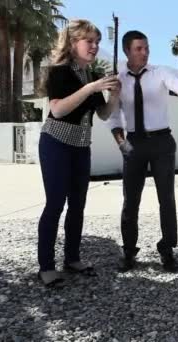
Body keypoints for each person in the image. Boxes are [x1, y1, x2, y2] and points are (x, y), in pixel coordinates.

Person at [106, 30, 178, 273]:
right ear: (127, 50)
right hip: (134, 144)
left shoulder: (159, 73)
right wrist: (121, 143)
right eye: (139, 48)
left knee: (166, 199)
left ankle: (167, 250)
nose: (145, 52)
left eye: (147, 48)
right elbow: (113, 114)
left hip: (162, 143)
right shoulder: (118, 80)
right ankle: (128, 252)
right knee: (130, 201)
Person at [37, 19, 121, 287]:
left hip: (81, 147)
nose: (95, 46)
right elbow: (58, 110)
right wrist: (89, 89)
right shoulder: (58, 72)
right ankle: (46, 266)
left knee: (78, 205)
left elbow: (104, 114)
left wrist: (114, 95)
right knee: (55, 204)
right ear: (73, 44)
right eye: (89, 41)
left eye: (97, 42)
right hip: (56, 143)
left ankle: (72, 258)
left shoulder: (93, 76)